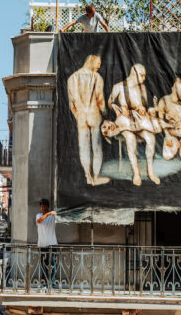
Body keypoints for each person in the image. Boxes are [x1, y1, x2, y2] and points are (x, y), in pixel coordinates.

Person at [107, 64, 161, 186]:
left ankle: (150, 171)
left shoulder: (142, 88)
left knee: (151, 139)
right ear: (134, 74)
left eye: (145, 75)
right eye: (142, 75)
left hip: (139, 121)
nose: (144, 78)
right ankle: (136, 172)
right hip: (125, 122)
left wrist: (142, 108)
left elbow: (145, 106)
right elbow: (110, 103)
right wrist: (121, 108)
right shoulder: (119, 87)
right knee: (130, 139)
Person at [67, 54, 110, 186]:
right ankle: (96, 176)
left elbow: (72, 104)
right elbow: (100, 99)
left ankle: (87, 175)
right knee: (96, 147)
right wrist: (105, 114)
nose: (99, 67)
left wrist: (78, 115)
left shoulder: (73, 78)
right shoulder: (96, 77)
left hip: (81, 116)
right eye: (98, 64)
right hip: (94, 115)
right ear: (91, 62)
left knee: (84, 147)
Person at [36, 198, 58, 288]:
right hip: (42, 244)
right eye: (42, 206)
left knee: (52, 265)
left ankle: (52, 283)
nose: (43, 208)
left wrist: (53, 213)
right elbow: (39, 221)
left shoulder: (53, 217)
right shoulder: (39, 215)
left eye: (45, 206)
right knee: (43, 265)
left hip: (52, 243)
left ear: (48, 206)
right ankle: (44, 282)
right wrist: (49, 213)